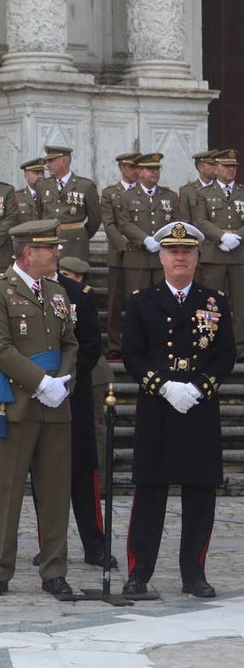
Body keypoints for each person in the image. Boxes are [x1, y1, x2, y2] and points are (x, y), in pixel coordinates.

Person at [121, 221, 235, 599]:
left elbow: (225, 355)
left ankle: (194, 574)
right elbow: (132, 355)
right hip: (158, 406)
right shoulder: (142, 301)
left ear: (198, 258)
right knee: (150, 491)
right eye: (173, 251)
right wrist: (163, 385)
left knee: (200, 492)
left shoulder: (214, 302)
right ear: (161, 257)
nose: (180, 257)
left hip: (199, 408)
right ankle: (139, 573)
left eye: (187, 251)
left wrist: (199, 387)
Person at [0, 220, 77, 598]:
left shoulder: (57, 291)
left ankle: (54, 570)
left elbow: (71, 343)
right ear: (27, 252)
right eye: (49, 248)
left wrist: (62, 383)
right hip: (16, 403)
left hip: (55, 404)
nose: (56, 253)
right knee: (6, 489)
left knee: (54, 491)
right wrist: (40, 383)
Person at [49, 255, 112, 568]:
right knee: (44, 475)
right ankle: (48, 545)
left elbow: (90, 346)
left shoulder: (78, 295)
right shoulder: (17, 293)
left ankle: (95, 544)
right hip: (36, 394)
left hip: (74, 395)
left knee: (84, 474)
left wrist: (65, 380)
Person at [192, 148, 244, 356]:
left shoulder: (242, 191)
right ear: (217, 168)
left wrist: (237, 237)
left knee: (241, 306)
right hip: (214, 254)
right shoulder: (204, 194)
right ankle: (209, 343)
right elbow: (200, 221)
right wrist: (222, 237)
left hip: (239, 255)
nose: (231, 170)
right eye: (226, 166)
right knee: (210, 303)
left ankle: (239, 348)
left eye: (234, 166)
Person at [117, 153, 179, 320]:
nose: (155, 173)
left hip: (162, 257)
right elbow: (124, 224)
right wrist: (145, 240)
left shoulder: (170, 196)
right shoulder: (126, 196)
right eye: (150, 169)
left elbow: (175, 222)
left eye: (157, 169)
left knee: (165, 300)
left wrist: (161, 241)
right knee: (138, 302)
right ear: (139, 171)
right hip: (137, 256)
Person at [99, 152, 140, 359]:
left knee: (138, 299)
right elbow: (109, 224)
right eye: (130, 167)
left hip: (142, 254)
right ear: (122, 168)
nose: (134, 171)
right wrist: (125, 244)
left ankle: (136, 341)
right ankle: (114, 344)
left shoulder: (144, 193)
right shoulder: (110, 193)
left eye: (136, 167)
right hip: (119, 252)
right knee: (115, 301)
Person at [35, 145, 101, 262]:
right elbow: (40, 216)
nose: (47, 165)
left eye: (51, 161)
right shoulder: (42, 186)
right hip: (49, 243)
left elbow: (95, 219)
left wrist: (80, 235)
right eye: (47, 161)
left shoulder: (85, 186)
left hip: (75, 245)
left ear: (64, 161)